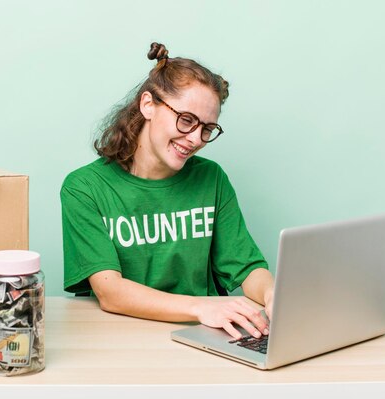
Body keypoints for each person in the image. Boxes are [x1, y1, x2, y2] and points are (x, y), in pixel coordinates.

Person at [60, 42, 274, 340]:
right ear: (148, 104)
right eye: (186, 120)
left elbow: (247, 268)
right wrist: (201, 308)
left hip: (205, 335)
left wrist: (272, 293)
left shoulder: (211, 178)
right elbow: (110, 291)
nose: (195, 138)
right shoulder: (84, 188)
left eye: (208, 129)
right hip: (122, 338)